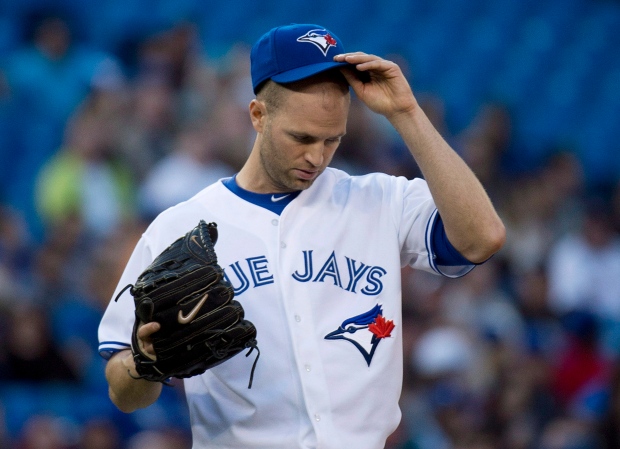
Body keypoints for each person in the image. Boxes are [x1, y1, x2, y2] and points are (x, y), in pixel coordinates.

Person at [98, 23, 505, 449]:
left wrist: (407, 114)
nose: (316, 156)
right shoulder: (182, 226)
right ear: (258, 115)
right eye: (302, 138)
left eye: (333, 140)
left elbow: (483, 238)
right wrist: (145, 363)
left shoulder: (380, 200)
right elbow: (121, 391)